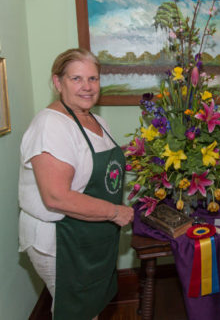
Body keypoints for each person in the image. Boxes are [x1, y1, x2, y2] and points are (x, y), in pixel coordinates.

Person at [18, 48, 134, 319]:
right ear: (57, 82)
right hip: (60, 239)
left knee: (90, 308)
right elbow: (57, 197)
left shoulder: (95, 119)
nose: (87, 87)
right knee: (76, 312)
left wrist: (131, 152)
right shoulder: (51, 125)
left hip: (90, 235)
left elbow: (89, 161)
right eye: (77, 79)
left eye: (93, 79)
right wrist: (116, 212)